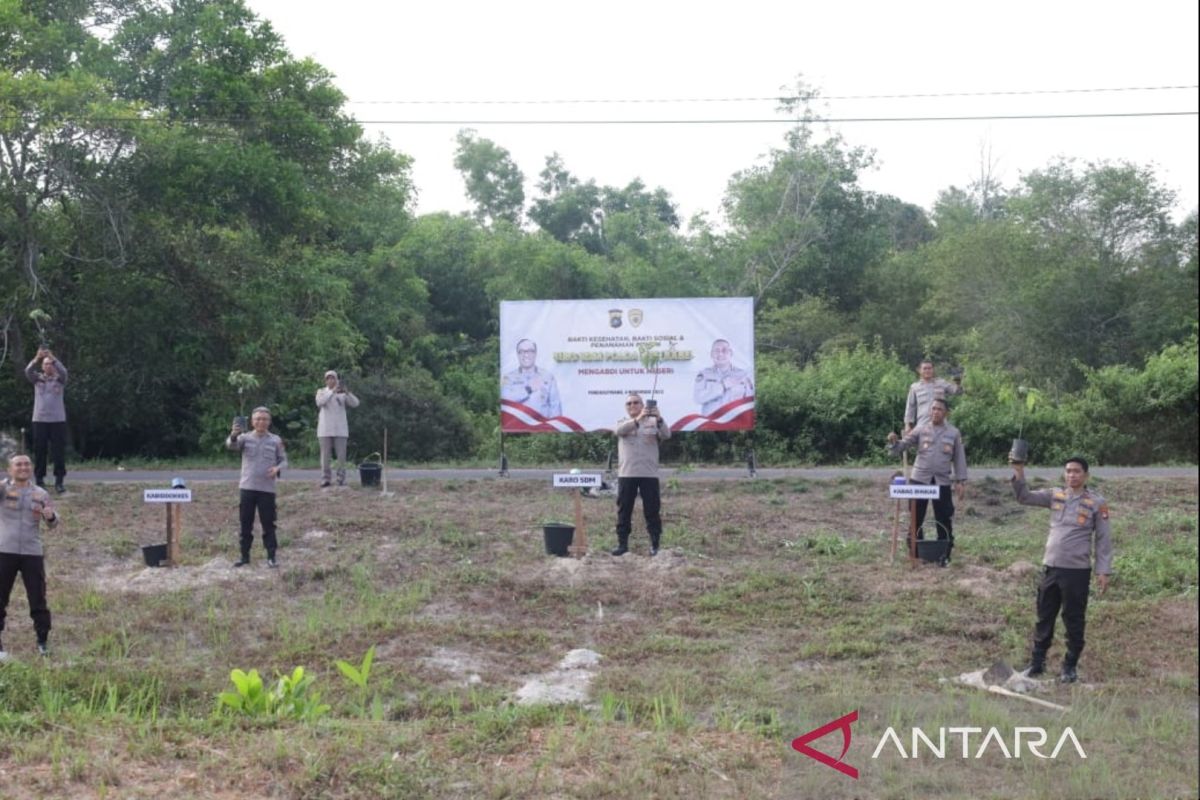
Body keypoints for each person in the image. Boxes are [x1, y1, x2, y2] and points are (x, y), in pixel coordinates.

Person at [1011, 457, 1112, 683]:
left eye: (1076, 471)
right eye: (1068, 471)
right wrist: (1019, 471)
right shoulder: (1055, 495)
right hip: (1051, 567)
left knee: (1073, 618)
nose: (1072, 475)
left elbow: (1104, 540)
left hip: (1077, 571)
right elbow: (1024, 497)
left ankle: (1069, 666)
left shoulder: (1096, 502)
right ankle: (1037, 664)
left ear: (1086, 475)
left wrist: (1103, 571)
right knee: (1044, 616)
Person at [887, 397, 968, 566]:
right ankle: (916, 554)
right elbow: (903, 445)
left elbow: (959, 458)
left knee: (943, 518)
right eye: (933, 409)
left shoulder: (953, 433)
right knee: (916, 517)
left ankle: (943, 555)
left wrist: (961, 481)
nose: (935, 412)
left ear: (946, 413)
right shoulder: (921, 429)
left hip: (942, 482)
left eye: (939, 409)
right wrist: (894, 442)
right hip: (920, 480)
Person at [0, 454, 59, 659]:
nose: (23, 467)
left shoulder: (40, 493)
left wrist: (51, 517)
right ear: (10, 469)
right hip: (4, 551)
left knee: (38, 598)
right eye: (18, 464)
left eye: (26, 464)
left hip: (32, 553)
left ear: (31, 468)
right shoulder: (3, 489)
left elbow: (53, 524)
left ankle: (42, 641)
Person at [227, 407, 287, 568]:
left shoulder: (275, 440)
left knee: (269, 524)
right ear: (252, 422)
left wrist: (277, 468)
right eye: (258, 419)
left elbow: (284, 460)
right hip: (247, 487)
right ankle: (244, 556)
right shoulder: (244, 438)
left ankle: (271, 557)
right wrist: (233, 434)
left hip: (267, 489)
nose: (261, 421)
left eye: (264, 419)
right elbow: (231, 446)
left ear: (269, 421)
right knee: (245, 523)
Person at [612, 394, 671, 556]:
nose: (632, 405)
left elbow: (667, 435)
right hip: (627, 474)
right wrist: (638, 419)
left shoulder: (653, 422)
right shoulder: (623, 422)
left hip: (649, 474)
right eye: (629, 403)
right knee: (624, 511)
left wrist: (659, 418)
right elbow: (619, 431)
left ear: (643, 404)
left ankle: (655, 544)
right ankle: (622, 544)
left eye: (636, 402)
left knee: (652, 510)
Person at [24, 347, 69, 493]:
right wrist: (37, 358)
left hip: (57, 420)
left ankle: (59, 481)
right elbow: (28, 371)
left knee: (58, 452)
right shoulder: (37, 378)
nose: (48, 366)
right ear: (42, 367)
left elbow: (64, 372)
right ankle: (39, 480)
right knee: (40, 451)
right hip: (40, 420)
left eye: (50, 363)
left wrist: (53, 357)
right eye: (46, 364)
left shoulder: (60, 379)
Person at [315, 370, 360, 487]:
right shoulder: (321, 392)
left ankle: (341, 479)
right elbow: (320, 402)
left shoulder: (342, 393)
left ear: (337, 380)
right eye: (328, 378)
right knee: (325, 456)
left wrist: (347, 392)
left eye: (333, 378)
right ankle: (325, 479)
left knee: (341, 456)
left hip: (340, 429)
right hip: (325, 430)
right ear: (325, 380)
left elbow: (356, 404)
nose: (331, 380)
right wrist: (332, 392)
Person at [500, 339, 562, 418]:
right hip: (517, 427)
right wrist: (528, 389)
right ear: (517, 354)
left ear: (535, 353)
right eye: (521, 351)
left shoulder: (548, 377)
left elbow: (555, 406)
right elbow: (505, 400)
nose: (526, 355)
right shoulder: (508, 378)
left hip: (542, 427)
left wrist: (552, 428)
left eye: (530, 351)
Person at [693, 339, 754, 415]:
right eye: (717, 351)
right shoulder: (704, 374)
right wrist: (722, 386)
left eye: (724, 350)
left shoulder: (743, 375)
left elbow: (749, 401)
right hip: (711, 423)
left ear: (731, 353)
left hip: (735, 422)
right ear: (711, 354)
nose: (720, 354)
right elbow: (698, 398)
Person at [903, 360, 963, 434]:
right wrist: (907, 425)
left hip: (941, 425)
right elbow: (910, 407)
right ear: (919, 370)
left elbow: (957, 392)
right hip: (923, 425)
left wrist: (958, 382)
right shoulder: (915, 387)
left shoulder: (941, 383)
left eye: (929, 368)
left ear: (933, 370)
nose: (927, 370)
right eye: (925, 368)